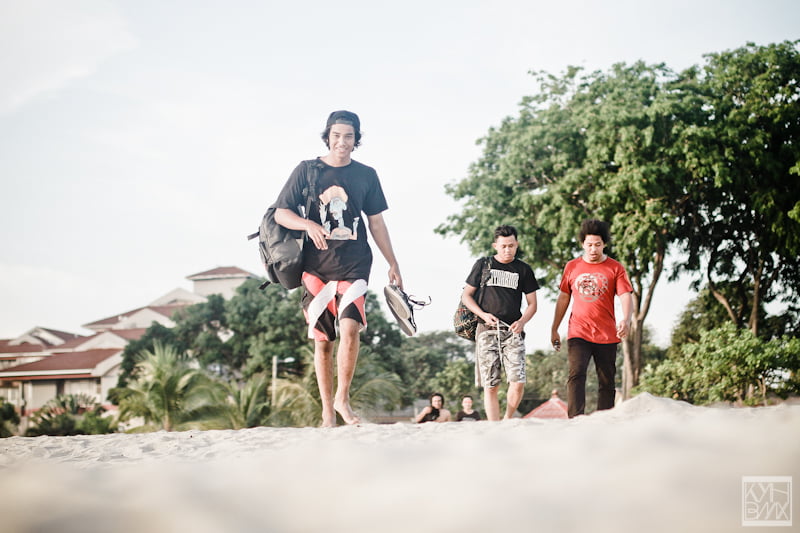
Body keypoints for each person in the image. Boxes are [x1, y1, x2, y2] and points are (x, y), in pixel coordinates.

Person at [274, 110, 403, 427]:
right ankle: (327, 411)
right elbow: (280, 213)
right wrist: (307, 224)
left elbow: (376, 223)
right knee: (323, 341)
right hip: (315, 267)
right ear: (327, 137)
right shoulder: (307, 170)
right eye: (336, 135)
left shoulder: (366, 175)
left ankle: (342, 399)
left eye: (348, 136)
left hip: (355, 264)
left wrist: (393, 262)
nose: (342, 141)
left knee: (350, 328)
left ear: (356, 139)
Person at [550, 219, 633, 418]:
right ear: (582, 244)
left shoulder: (615, 268)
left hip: (607, 333)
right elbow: (563, 297)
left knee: (607, 381)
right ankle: (575, 419)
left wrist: (627, 319)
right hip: (579, 331)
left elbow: (625, 295)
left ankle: (604, 419)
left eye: (597, 244)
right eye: (589, 245)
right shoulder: (572, 266)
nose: (593, 249)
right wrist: (554, 328)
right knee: (576, 373)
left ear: (604, 244)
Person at [461, 225, 539, 421]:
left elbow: (532, 304)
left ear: (517, 245)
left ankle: (507, 420)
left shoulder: (523, 269)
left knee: (518, 381)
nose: (507, 250)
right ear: (495, 245)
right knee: (491, 384)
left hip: (513, 331)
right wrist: (483, 314)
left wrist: (522, 322)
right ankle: (494, 426)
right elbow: (466, 296)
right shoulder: (483, 264)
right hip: (486, 329)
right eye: (503, 246)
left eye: (511, 246)